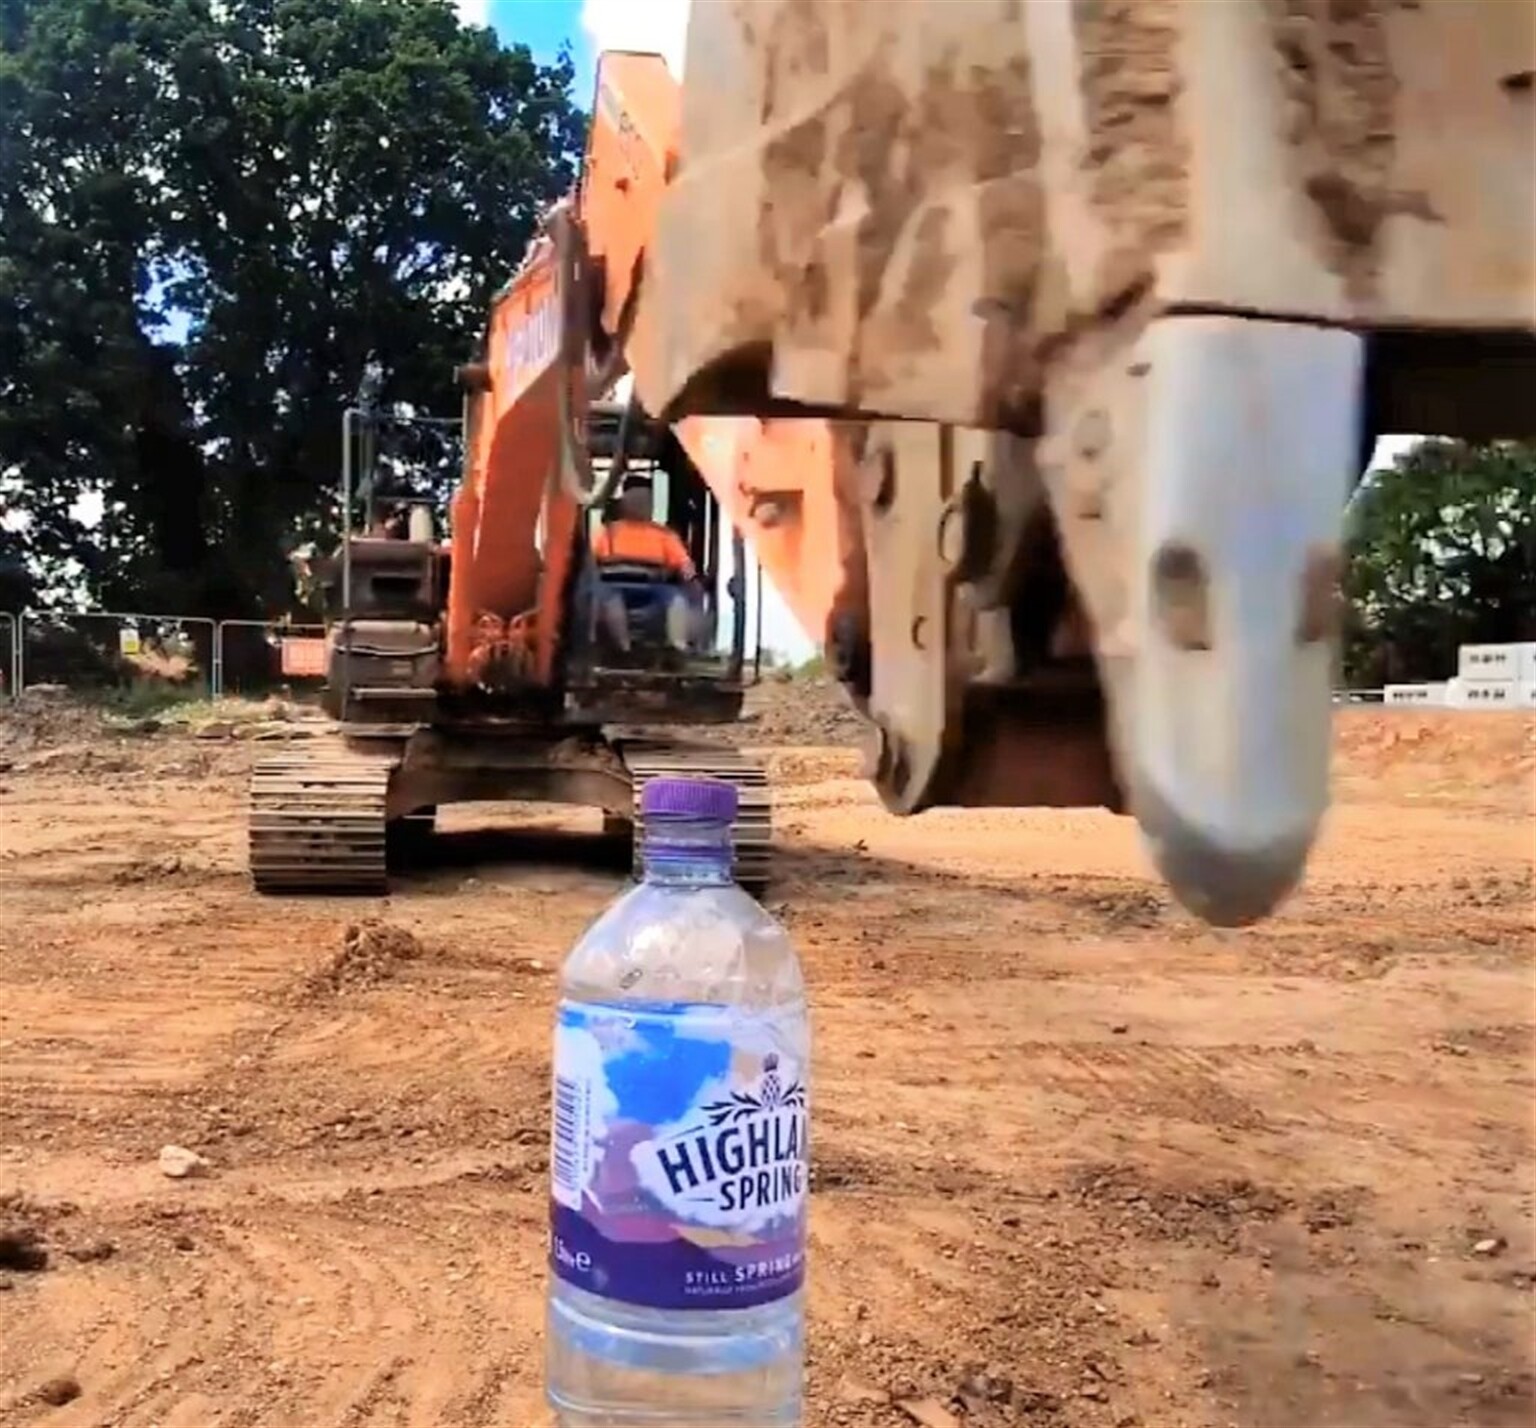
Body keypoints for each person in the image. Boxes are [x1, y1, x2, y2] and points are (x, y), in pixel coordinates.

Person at [591, 477, 702, 655]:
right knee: (607, 597)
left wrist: (691, 579)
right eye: (636, 500)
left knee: (676, 599)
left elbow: (684, 562)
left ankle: (678, 646)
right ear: (624, 504)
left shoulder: (663, 535)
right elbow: (590, 561)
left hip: (652, 588)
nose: (641, 504)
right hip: (614, 587)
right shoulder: (608, 533)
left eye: (645, 500)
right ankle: (624, 650)